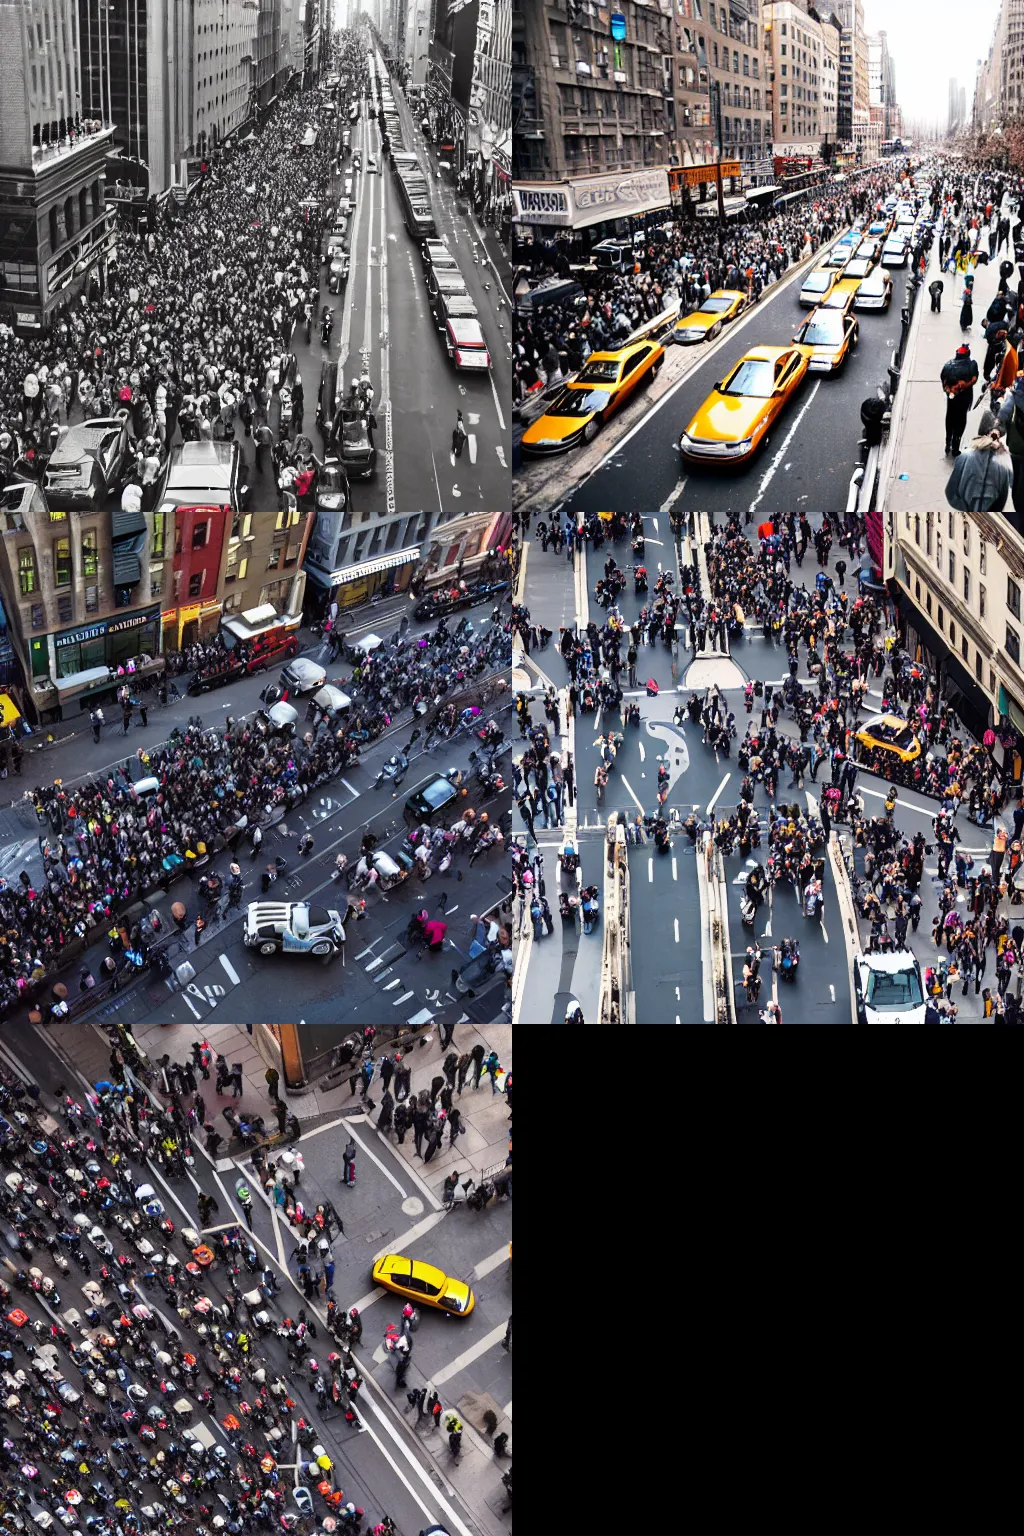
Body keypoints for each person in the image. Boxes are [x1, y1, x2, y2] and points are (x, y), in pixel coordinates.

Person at [945, 428, 1013, 512]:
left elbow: (951, 492)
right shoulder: (1003, 468)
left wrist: (965, 507)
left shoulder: (964, 457)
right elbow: (1002, 499)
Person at [940, 344, 979, 458]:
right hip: (965, 399)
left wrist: (950, 391)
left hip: (952, 398)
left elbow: (944, 381)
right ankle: (955, 447)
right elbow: (975, 378)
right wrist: (963, 386)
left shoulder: (948, 365)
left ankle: (948, 443)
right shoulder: (972, 365)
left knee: (950, 419)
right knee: (961, 421)